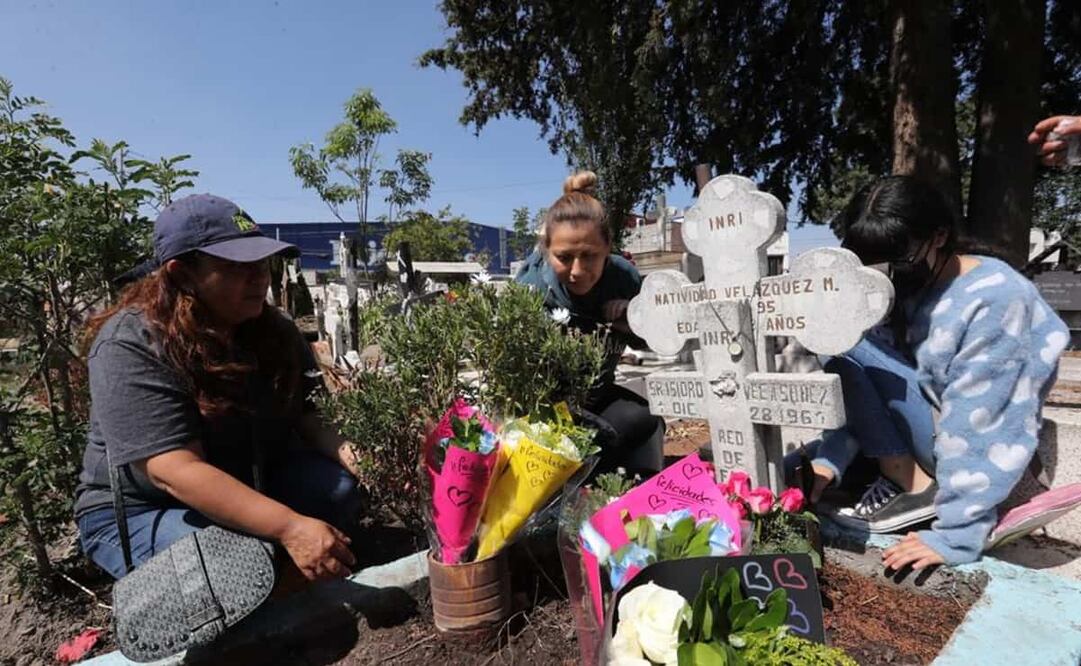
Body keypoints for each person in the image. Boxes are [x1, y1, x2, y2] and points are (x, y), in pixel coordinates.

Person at [75, 194, 361, 582]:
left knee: (340, 490)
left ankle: (277, 577)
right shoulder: (132, 343)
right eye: (236, 265)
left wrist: (369, 463)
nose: (259, 276)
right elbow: (174, 472)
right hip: (148, 508)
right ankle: (266, 587)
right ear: (181, 274)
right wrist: (290, 528)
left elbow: (312, 419)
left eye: (262, 262)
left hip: (249, 479)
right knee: (230, 566)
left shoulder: (271, 331)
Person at [793, 175, 1069, 570]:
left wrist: (957, 536)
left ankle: (915, 489)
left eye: (896, 257)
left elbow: (986, 419)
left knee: (844, 340)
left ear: (939, 237)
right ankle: (883, 474)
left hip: (971, 453)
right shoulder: (903, 289)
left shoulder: (996, 298)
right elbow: (858, 385)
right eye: (869, 262)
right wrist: (830, 462)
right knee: (836, 342)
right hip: (926, 430)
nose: (884, 271)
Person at [515, 171, 665, 476]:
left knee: (646, 420)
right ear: (546, 249)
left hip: (598, 394)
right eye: (564, 257)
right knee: (579, 446)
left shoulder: (624, 279)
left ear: (608, 248)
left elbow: (653, 340)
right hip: (542, 405)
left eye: (590, 256)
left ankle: (640, 496)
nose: (577, 271)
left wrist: (630, 320)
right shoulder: (530, 289)